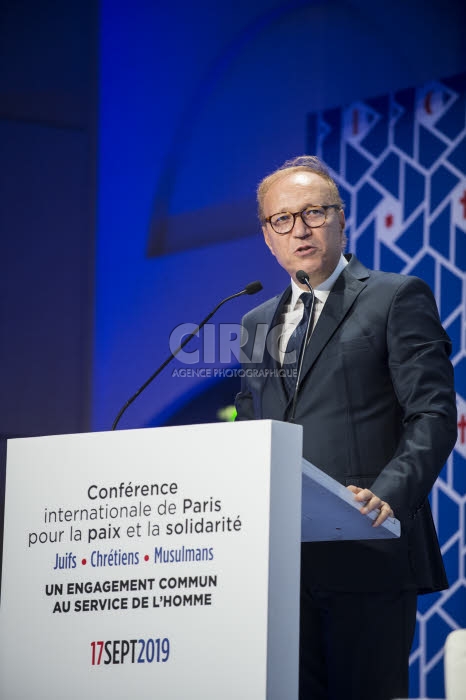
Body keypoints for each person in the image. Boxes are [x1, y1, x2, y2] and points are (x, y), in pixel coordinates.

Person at [235, 155, 457, 700]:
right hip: (280, 566)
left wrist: (387, 496)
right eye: (282, 219)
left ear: (341, 218)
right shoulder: (255, 322)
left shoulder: (394, 296)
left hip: (367, 548)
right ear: (268, 237)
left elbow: (433, 413)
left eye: (313, 212)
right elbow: (253, 430)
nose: (299, 229)